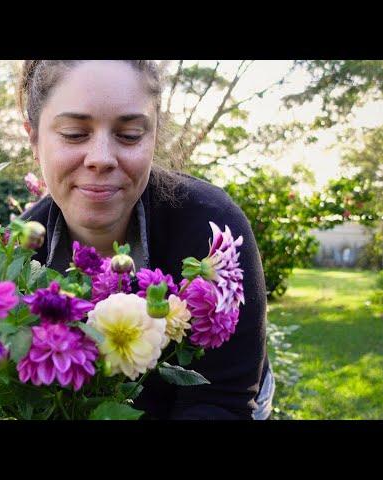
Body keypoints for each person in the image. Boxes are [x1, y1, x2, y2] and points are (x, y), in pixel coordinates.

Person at [18, 60, 274, 420]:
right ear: (34, 138)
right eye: (75, 133)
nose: (101, 159)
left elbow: (222, 402)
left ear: (153, 136)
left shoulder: (212, 230)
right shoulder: (14, 259)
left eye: (130, 135)